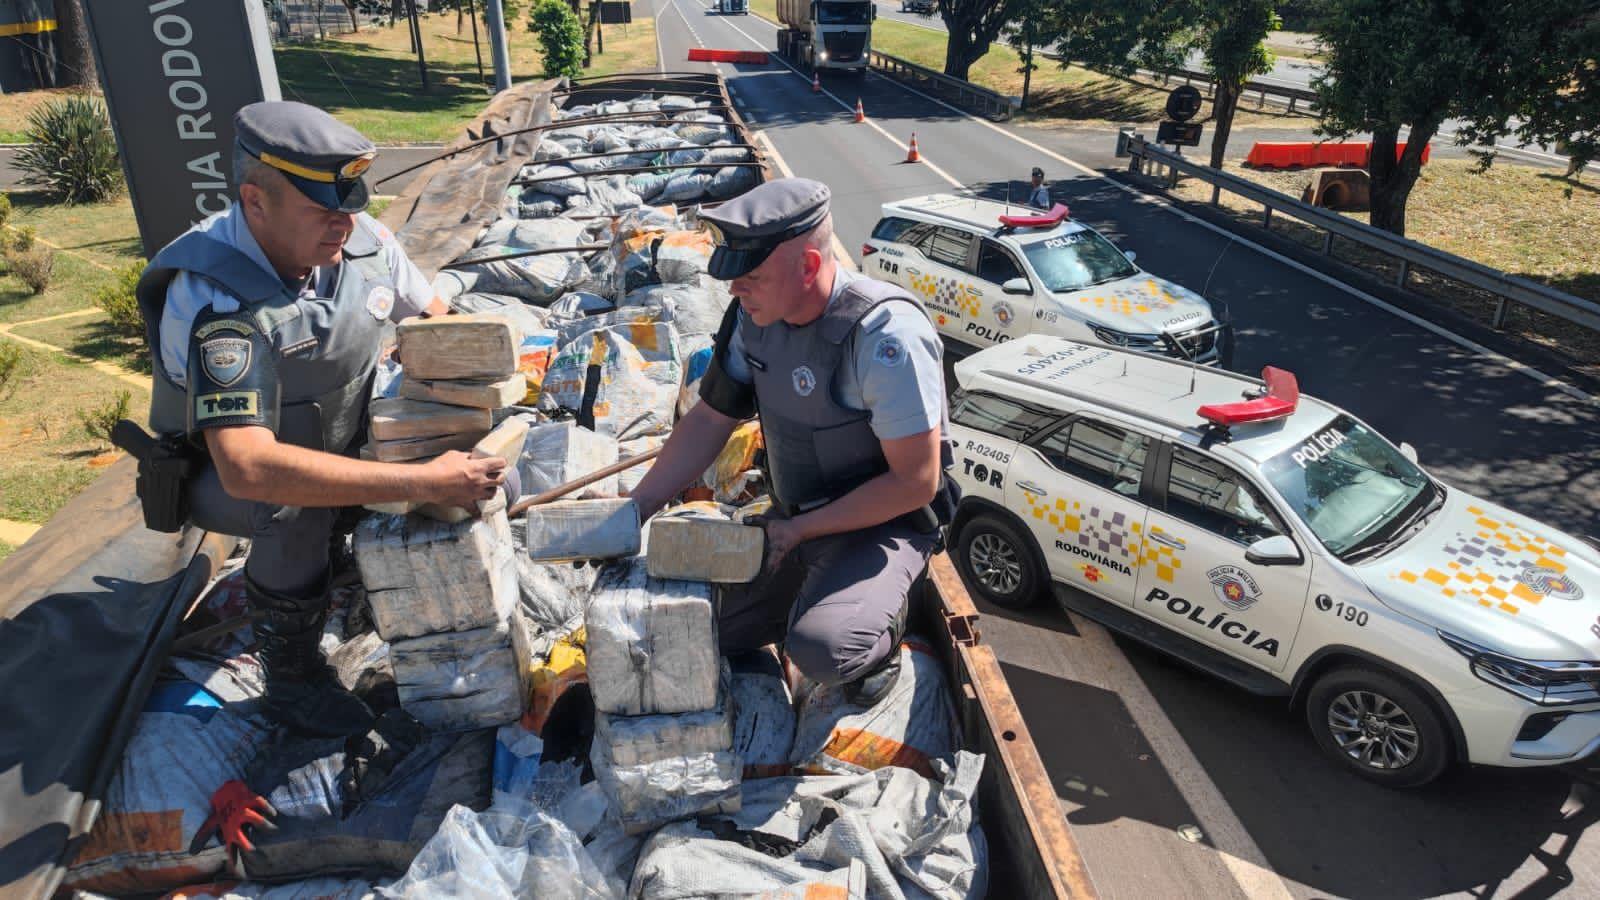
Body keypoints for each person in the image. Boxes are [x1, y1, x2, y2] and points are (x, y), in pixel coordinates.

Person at [135, 101, 507, 736]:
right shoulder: (214, 296)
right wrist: (423, 481)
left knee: (460, 453)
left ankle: (352, 569)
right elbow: (250, 467)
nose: (344, 225)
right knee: (293, 513)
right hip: (232, 474)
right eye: (323, 211)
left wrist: (475, 405)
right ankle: (293, 675)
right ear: (255, 203)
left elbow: (438, 324)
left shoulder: (366, 242)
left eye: (350, 207)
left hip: (340, 435)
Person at [627, 178, 958, 705]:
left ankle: (892, 618)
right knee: (696, 626)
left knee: (824, 653)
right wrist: (635, 509)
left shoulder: (883, 337)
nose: (735, 289)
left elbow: (916, 483)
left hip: (882, 528)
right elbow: (711, 418)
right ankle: (814, 600)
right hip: (793, 521)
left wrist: (800, 529)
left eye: (751, 276)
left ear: (807, 266)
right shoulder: (753, 318)